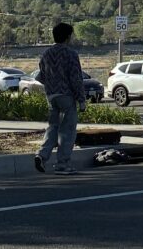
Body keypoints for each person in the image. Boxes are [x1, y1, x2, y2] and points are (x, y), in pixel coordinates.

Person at [34, 22, 87, 175]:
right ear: (68, 36)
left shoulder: (46, 54)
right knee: (67, 131)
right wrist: (81, 100)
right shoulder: (71, 54)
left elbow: (40, 76)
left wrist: (52, 84)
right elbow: (76, 78)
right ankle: (62, 164)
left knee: (52, 128)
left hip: (51, 96)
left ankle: (42, 155)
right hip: (66, 96)